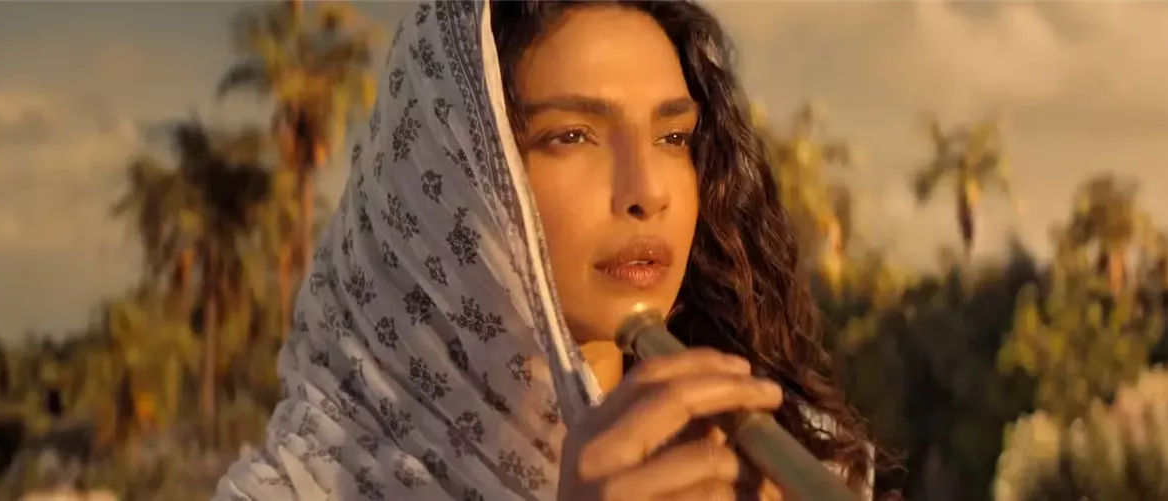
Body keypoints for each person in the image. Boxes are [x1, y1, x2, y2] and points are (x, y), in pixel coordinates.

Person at [214, 0, 880, 500]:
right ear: (457, 179)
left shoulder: (792, 459)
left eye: (673, 138)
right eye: (572, 136)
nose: (647, 191)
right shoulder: (298, 488)